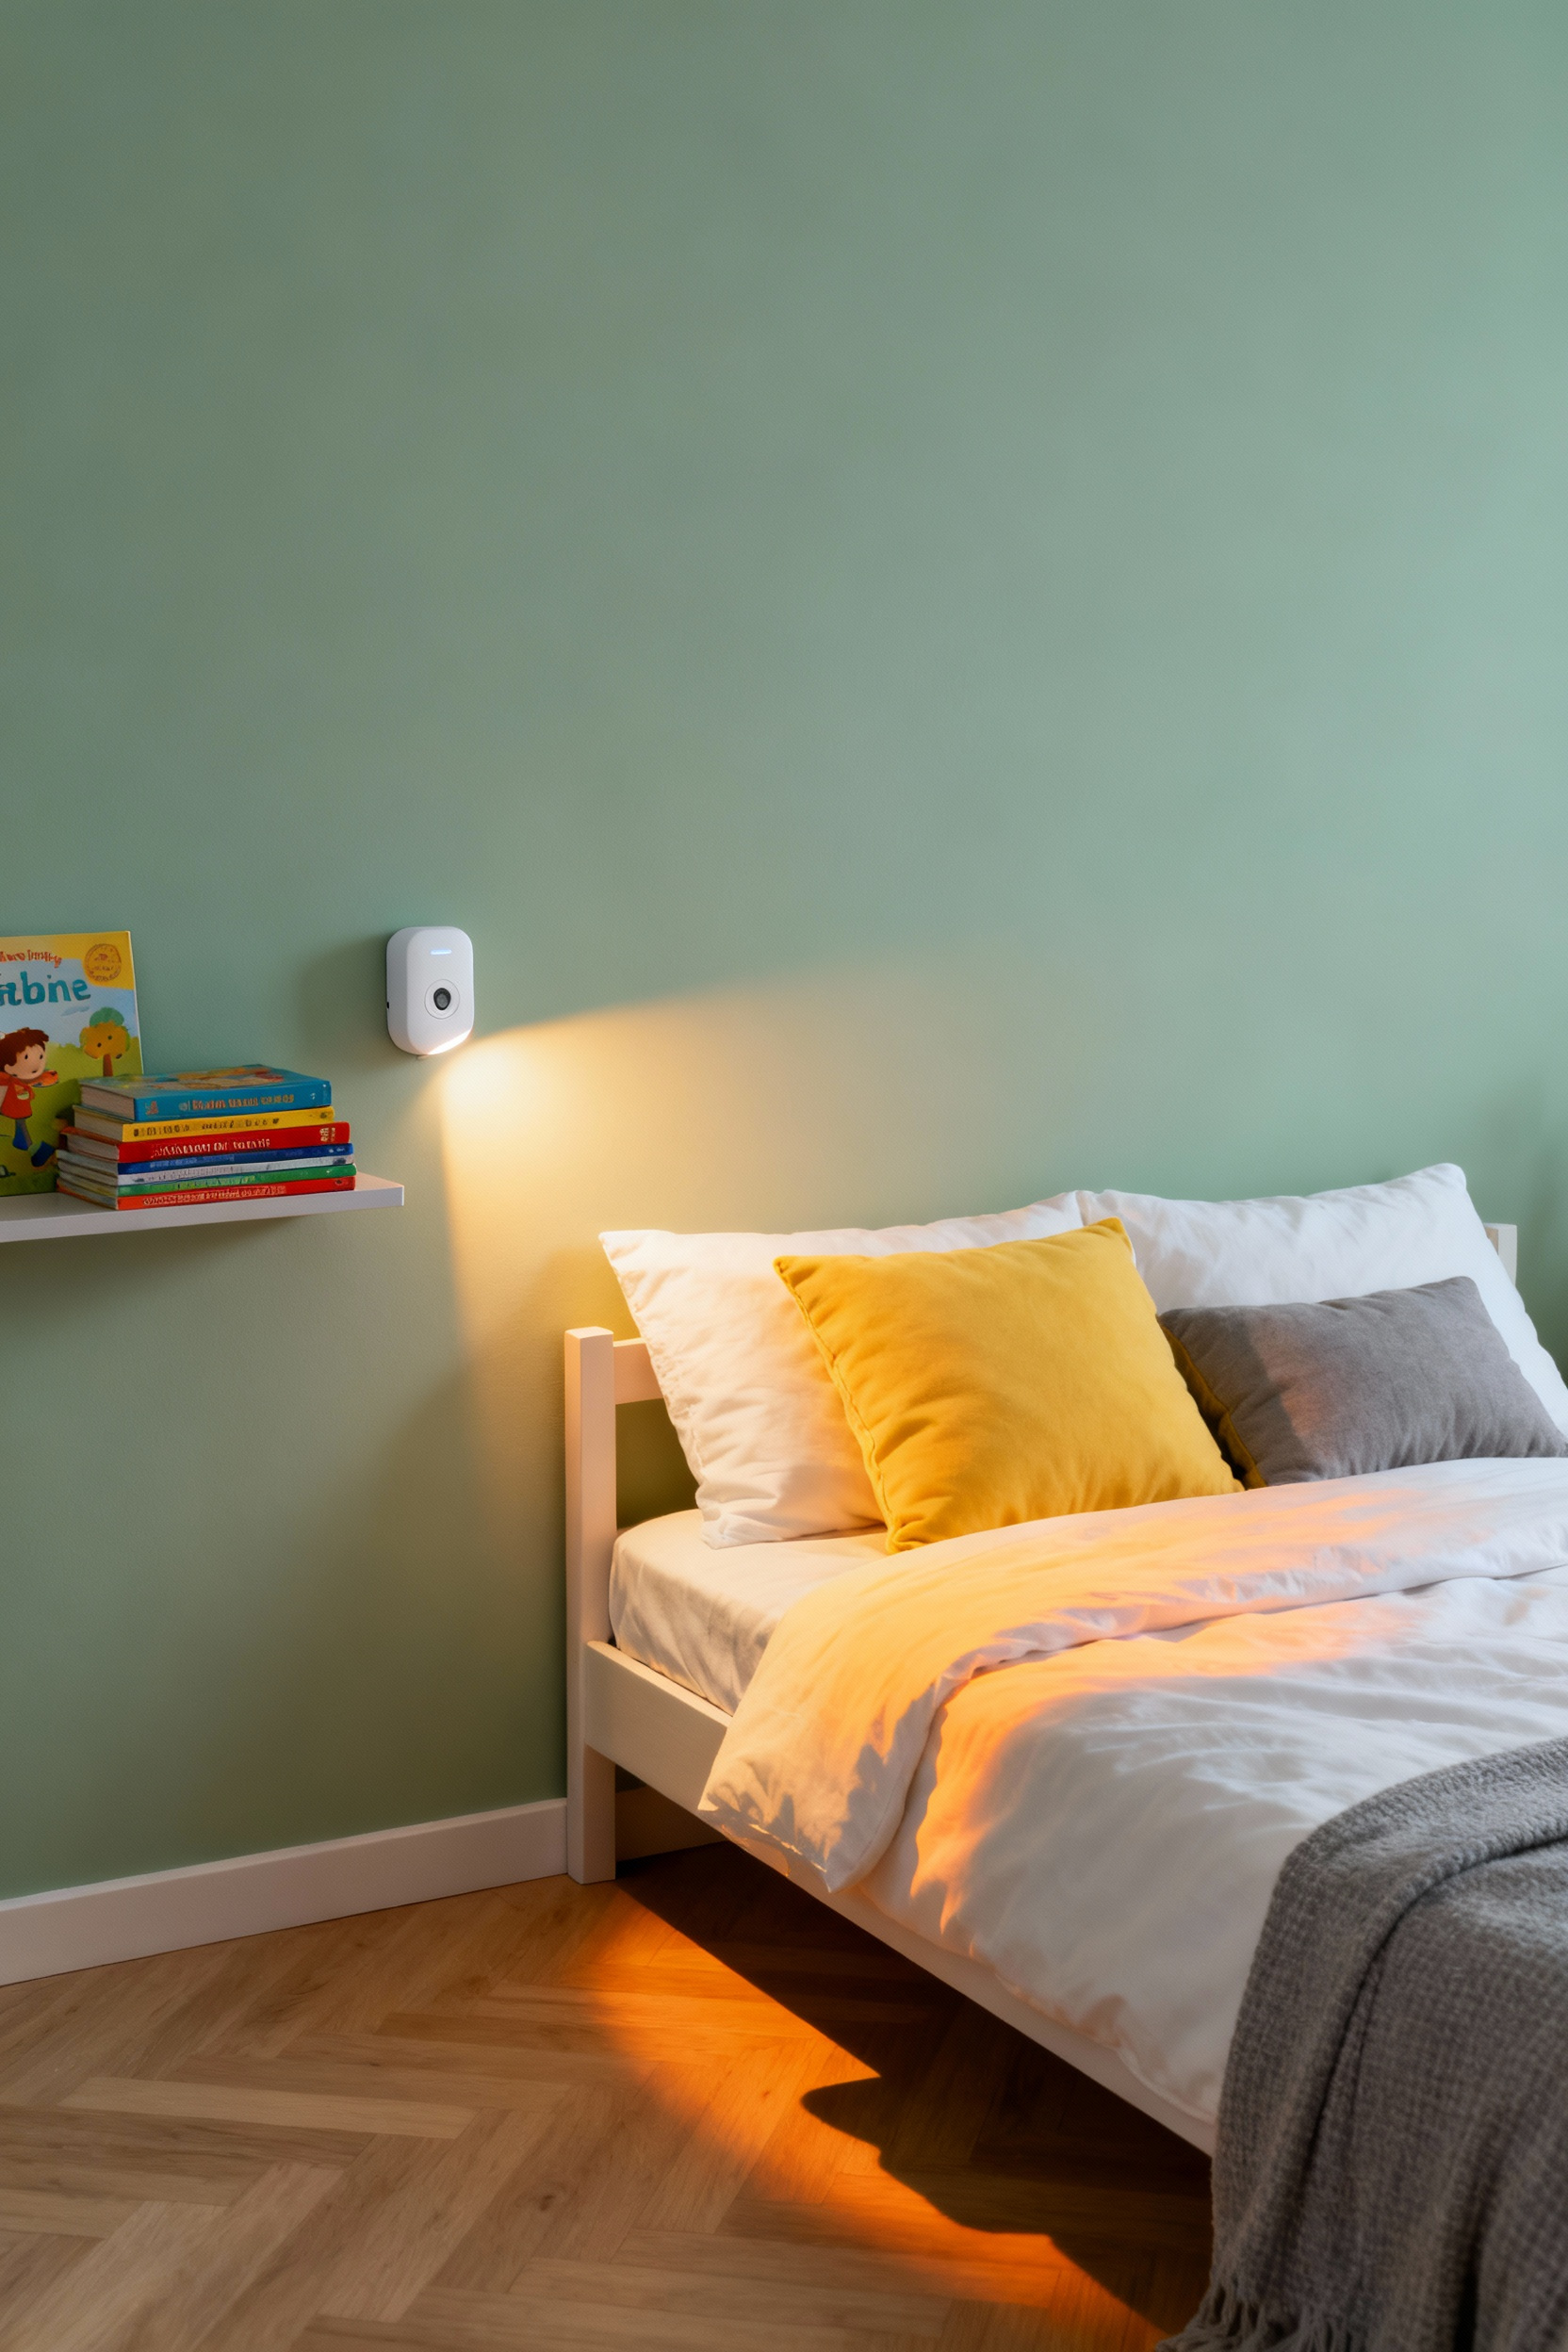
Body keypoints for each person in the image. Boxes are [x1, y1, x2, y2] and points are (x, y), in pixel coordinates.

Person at [0, 1027, 60, 1166]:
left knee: (21, 1126)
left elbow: (26, 1079)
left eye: (40, 1056)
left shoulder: (15, 1080)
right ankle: (33, 1151)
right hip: (12, 1108)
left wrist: (40, 1078)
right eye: (26, 1057)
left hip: (16, 1108)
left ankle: (32, 1151)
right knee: (20, 1127)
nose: (35, 1066)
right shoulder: (7, 1078)